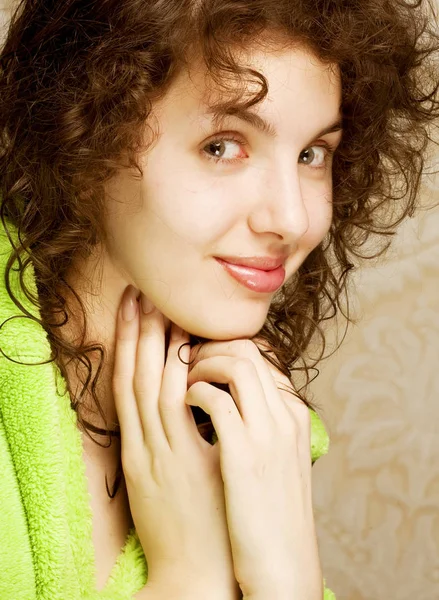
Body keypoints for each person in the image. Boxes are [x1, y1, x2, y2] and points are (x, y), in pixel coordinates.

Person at [0, 0, 438, 598]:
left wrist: (289, 583)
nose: (292, 217)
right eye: (223, 146)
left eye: (313, 154)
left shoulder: (254, 435)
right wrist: (191, 580)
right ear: (83, 137)